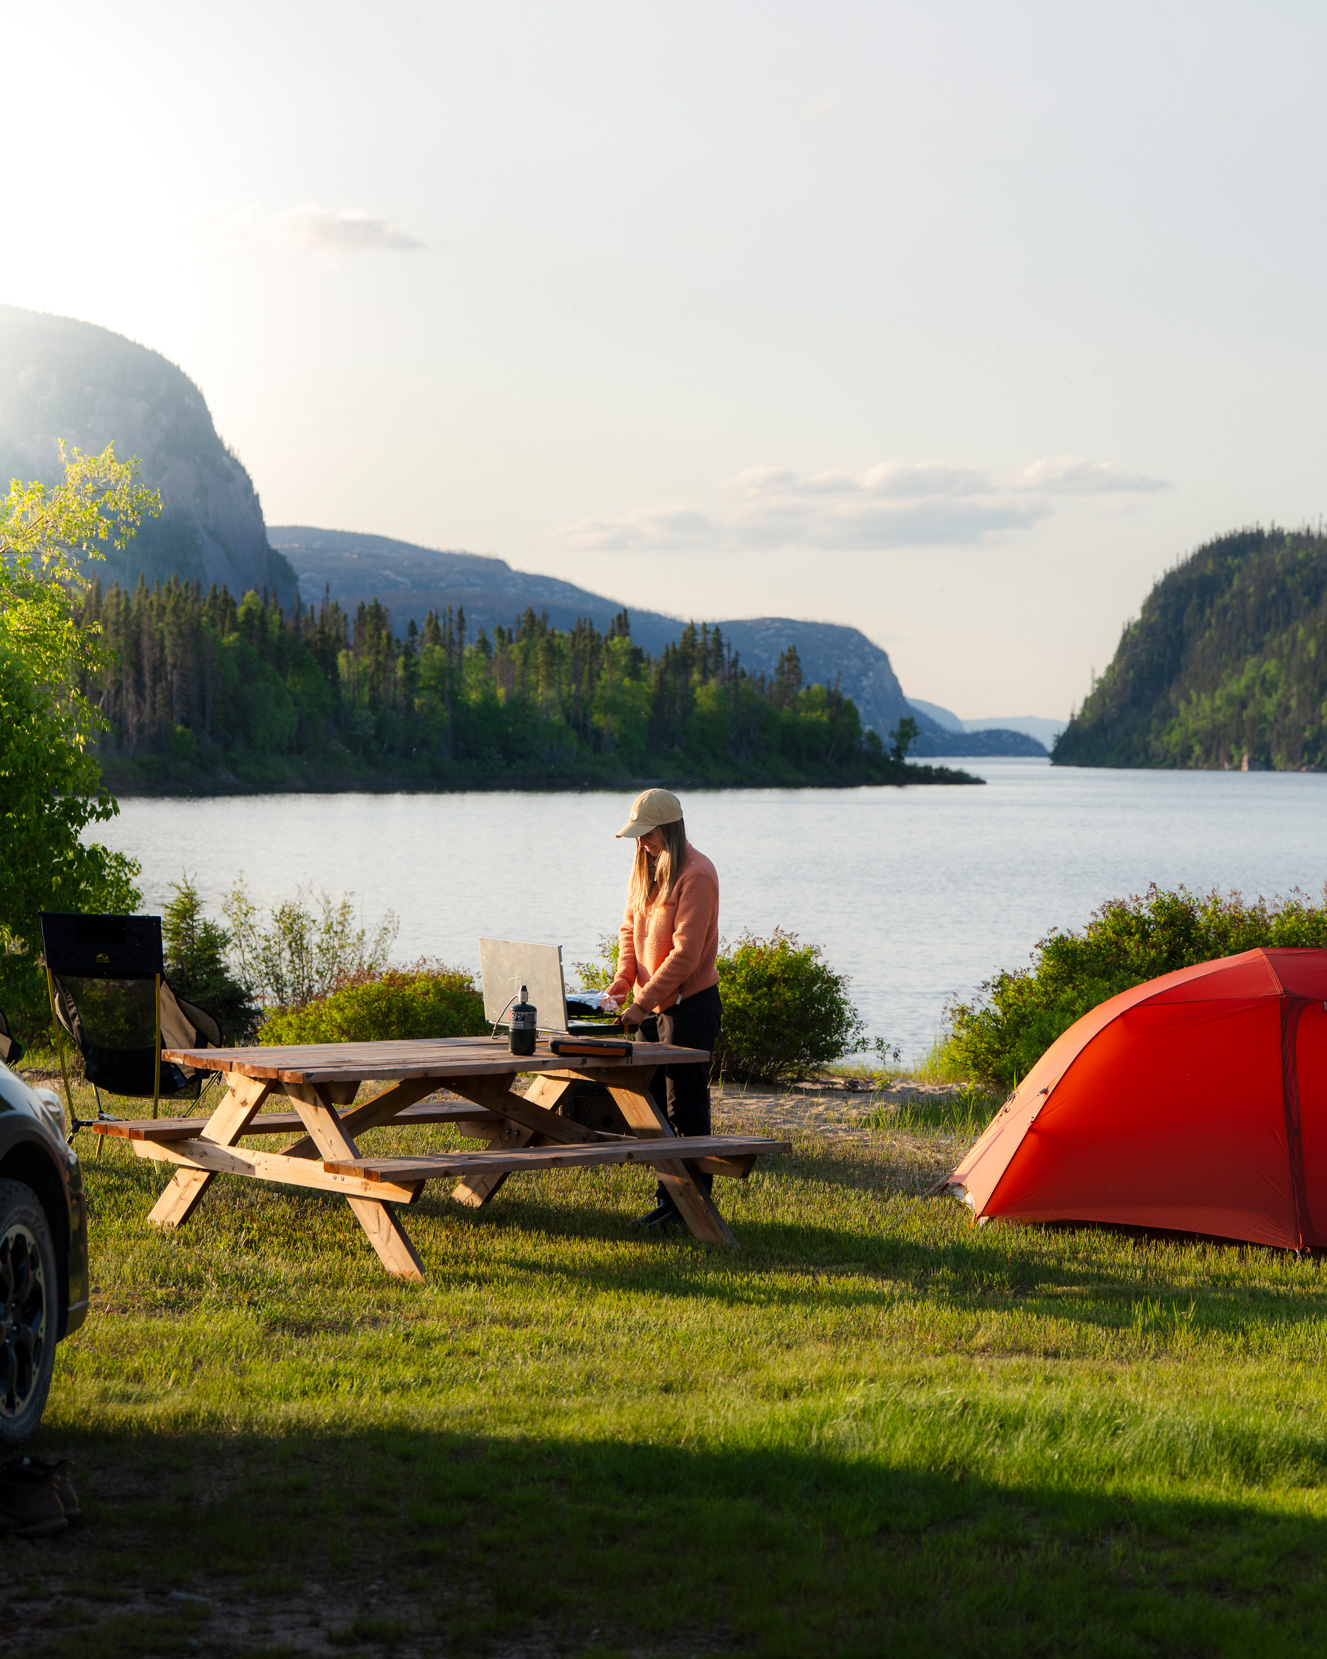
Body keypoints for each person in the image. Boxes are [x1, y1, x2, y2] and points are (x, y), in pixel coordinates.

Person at [604, 787, 722, 1230]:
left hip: (688, 1009)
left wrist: (640, 1003)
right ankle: (669, 1200)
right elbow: (628, 929)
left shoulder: (698, 874)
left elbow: (686, 956)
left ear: (668, 830)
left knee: (686, 1110)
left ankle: (692, 1207)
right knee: (649, 1109)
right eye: (638, 836)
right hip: (650, 1007)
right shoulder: (647, 872)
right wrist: (622, 980)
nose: (641, 843)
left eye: (647, 834)